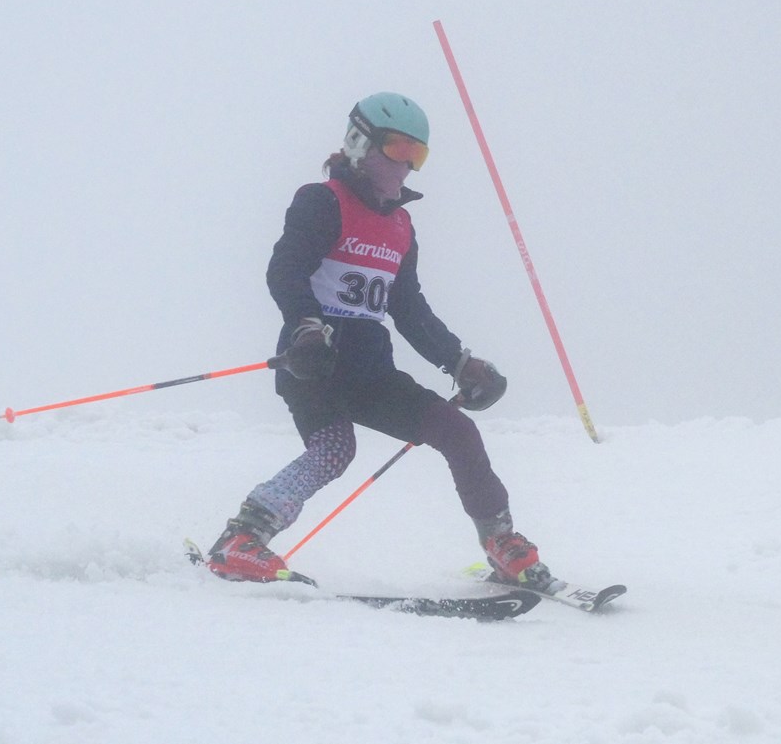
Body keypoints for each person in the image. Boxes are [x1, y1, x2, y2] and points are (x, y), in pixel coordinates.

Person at [204, 91, 552, 589]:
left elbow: (407, 307)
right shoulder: (322, 201)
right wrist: (307, 328)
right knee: (334, 450)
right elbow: (286, 270)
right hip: (315, 364)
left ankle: (502, 545)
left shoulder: (401, 226)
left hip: (372, 373)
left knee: (457, 432)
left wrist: (460, 362)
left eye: (417, 154)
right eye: (397, 148)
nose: (406, 164)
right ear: (359, 142)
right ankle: (240, 539)